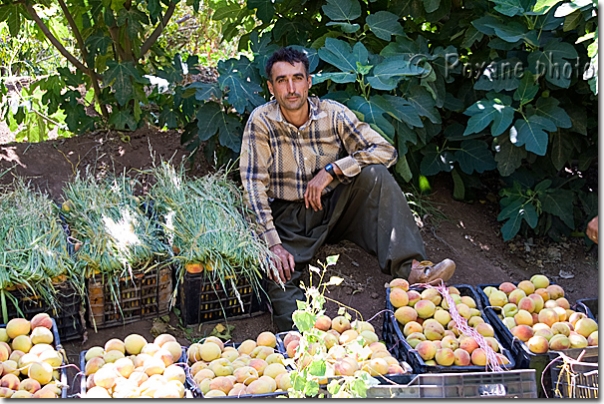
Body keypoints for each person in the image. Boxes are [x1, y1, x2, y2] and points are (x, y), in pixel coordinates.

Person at [239, 47, 456, 331]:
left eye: (297, 78)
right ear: (271, 86)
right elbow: (253, 184)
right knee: (277, 275)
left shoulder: (334, 114)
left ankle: (412, 268)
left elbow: (385, 151)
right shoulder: (262, 121)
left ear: (309, 82)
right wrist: (273, 245)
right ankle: (302, 338)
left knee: (375, 174)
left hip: (337, 206)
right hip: (291, 219)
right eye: (282, 80)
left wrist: (332, 171)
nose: (291, 88)